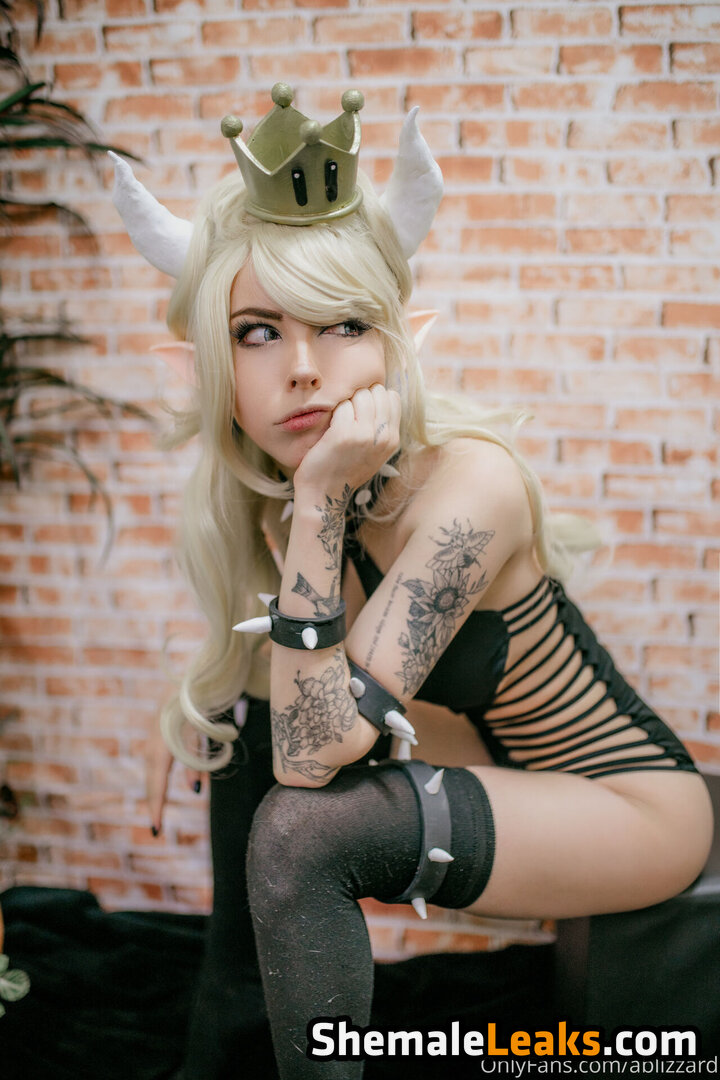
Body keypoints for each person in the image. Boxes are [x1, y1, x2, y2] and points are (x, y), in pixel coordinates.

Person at [111, 84, 713, 1079]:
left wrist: (317, 504)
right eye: (258, 331)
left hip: (625, 809)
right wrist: (194, 711)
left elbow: (315, 758)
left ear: (394, 338)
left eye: (343, 323)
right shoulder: (288, 497)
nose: (303, 367)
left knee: (306, 827)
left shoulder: (471, 486)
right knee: (242, 720)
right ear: (218, 361)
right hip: (495, 785)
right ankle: (228, 1043)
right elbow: (287, 706)